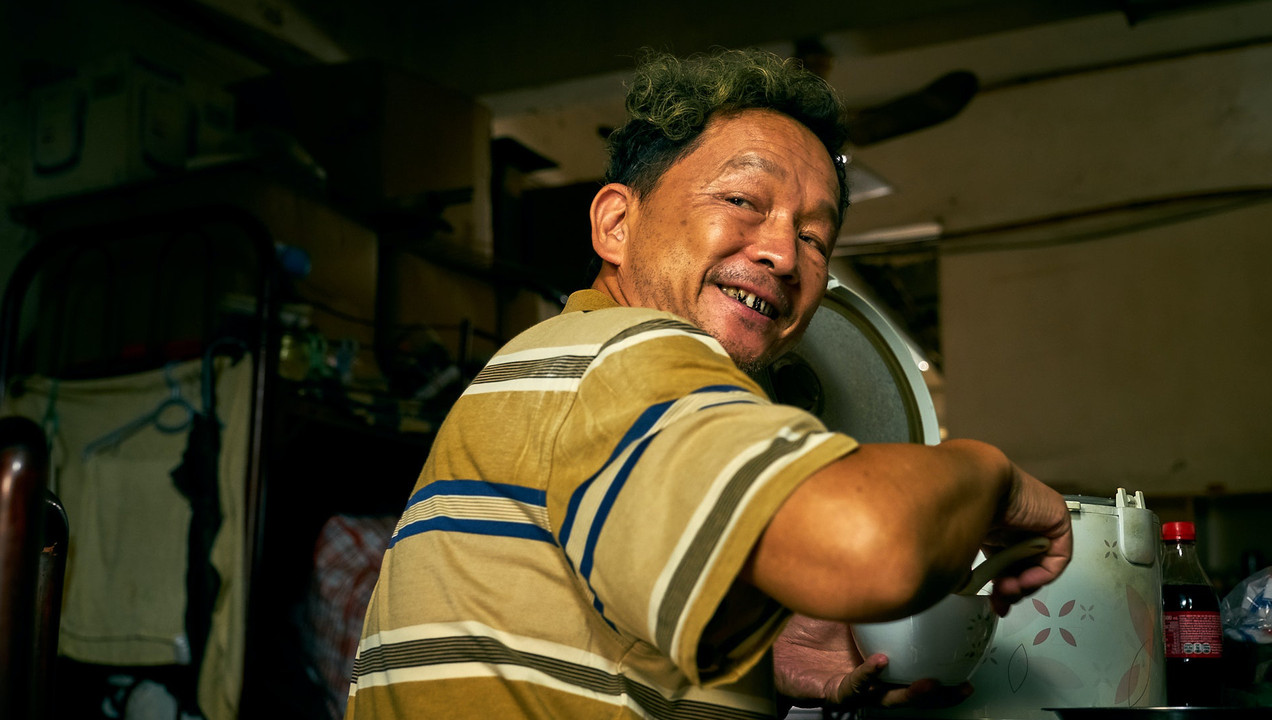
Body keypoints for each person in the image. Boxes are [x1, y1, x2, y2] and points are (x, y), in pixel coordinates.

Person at [345, 48, 1072, 720]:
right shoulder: (626, 354)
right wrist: (993, 477)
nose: (785, 254)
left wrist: (760, 652)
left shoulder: (573, 366)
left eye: (815, 238)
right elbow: (872, 544)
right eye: (744, 201)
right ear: (616, 223)